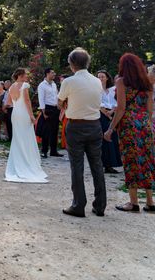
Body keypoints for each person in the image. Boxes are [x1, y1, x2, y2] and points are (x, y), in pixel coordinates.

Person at [105, 54, 155, 213]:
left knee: (131, 161)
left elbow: (121, 108)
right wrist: (146, 125)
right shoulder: (147, 83)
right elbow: (149, 110)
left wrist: (111, 128)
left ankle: (133, 203)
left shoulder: (121, 82)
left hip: (128, 126)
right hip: (145, 125)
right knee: (147, 161)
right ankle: (150, 202)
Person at [59, 47, 106, 218]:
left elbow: (60, 102)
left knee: (77, 166)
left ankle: (79, 205)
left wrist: (66, 104)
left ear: (72, 64)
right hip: (95, 125)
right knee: (97, 165)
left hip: (76, 126)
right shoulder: (96, 81)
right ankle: (100, 205)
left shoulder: (69, 82)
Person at [4, 68, 48, 183]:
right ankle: (27, 163)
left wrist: (16, 103)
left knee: (18, 138)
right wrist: (32, 116)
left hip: (15, 113)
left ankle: (18, 162)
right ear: (20, 75)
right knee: (27, 137)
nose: (26, 77)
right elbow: (27, 101)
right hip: (23, 113)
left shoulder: (11, 87)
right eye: (25, 75)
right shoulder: (24, 85)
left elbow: (8, 103)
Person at [97, 70, 122, 174]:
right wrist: (106, 113)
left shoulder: (113, 89)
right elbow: (98, 102)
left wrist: (111, 112)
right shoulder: (96, 90)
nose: (100, 79)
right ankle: (104, 164)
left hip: (113, 114)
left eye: (102, 77)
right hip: (102, 115)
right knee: (103, 140)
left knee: (112, 138)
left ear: (107, 78)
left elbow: (117, 102)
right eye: (98, 77)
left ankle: (111, 164)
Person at [37, 68, 62, 158]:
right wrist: (43, 112)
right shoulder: (42, 85)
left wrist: (59, 106)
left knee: (54, 130)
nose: (54, 74)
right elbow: (41, 99)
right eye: (52, 72)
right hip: (47, 109)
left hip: (55, 109)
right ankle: (44, 151)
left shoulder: (54, 84)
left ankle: (54, 151)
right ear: (47, 74)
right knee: (46, 131)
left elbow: (56, 96)